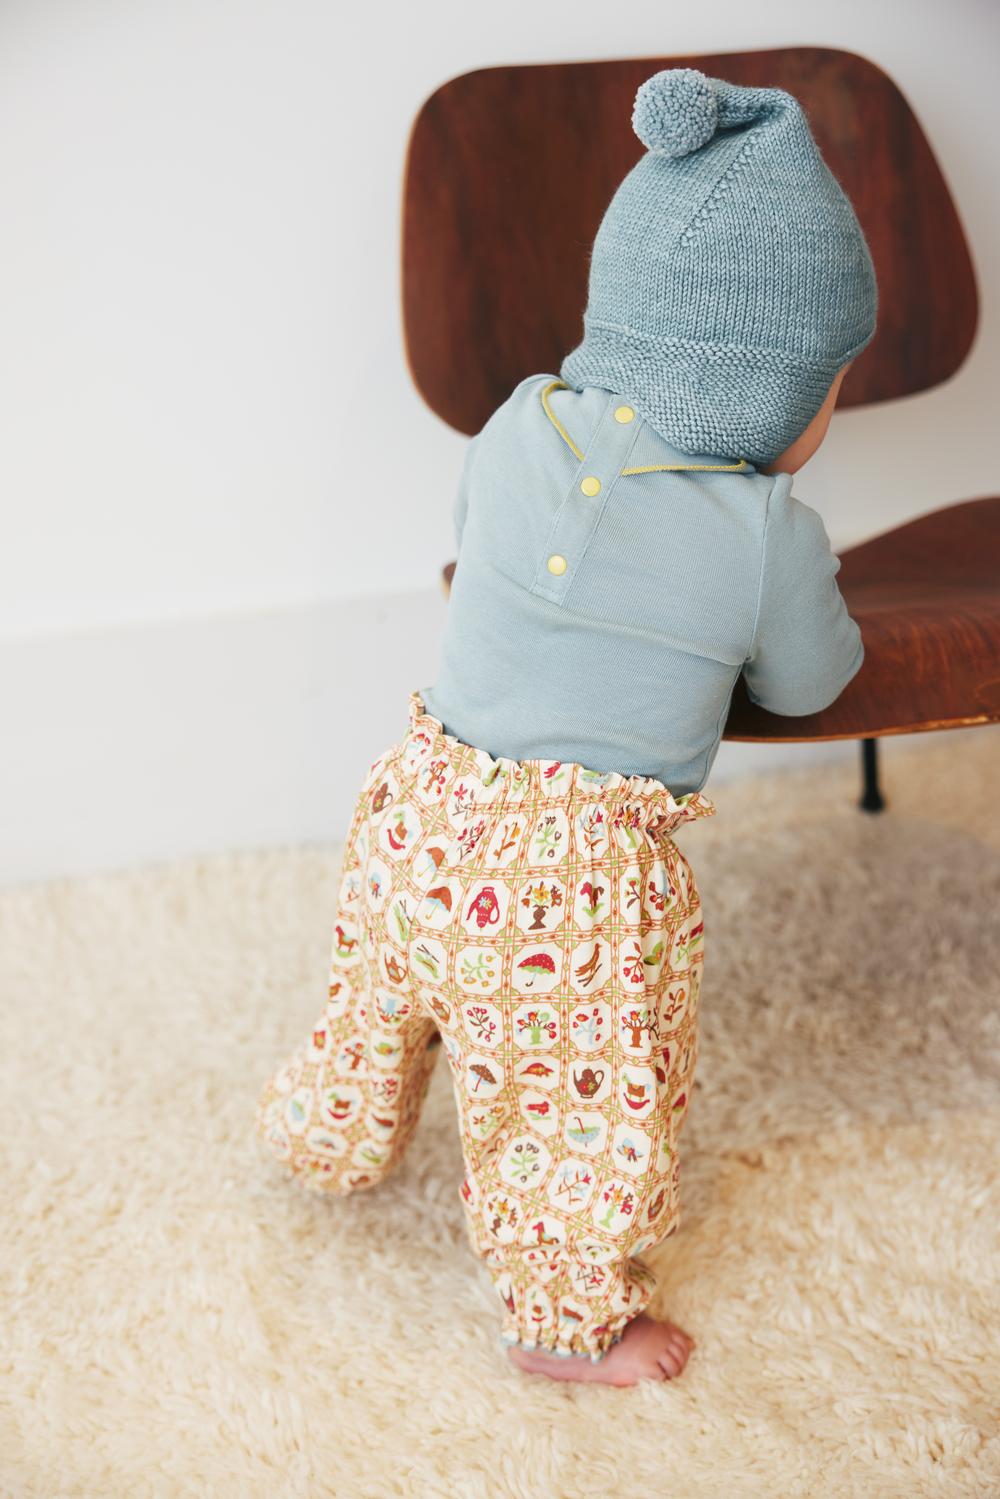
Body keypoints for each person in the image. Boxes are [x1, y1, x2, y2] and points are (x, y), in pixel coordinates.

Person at [254, 67, 876, 1387]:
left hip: (417, 805)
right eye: (833, 382)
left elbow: (477, 554)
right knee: (576, 1109)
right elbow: (812, 683)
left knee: (378, 995)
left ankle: (325, 1133)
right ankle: (569, 1322)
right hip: (571, 896)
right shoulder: (765, 531)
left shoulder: (516, 424)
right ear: (777, 388)